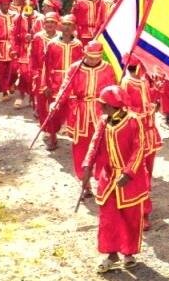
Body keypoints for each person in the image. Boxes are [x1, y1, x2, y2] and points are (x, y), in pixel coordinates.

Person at [84, 84, 151, 273]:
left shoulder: (133, 121)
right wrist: (88, 166)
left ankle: (128, 253)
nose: (101, 108)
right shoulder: (103, 121)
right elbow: (95, 144)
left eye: (103, 104)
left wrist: (128, 172)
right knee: (108, 217)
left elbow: (140, 149)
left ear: (113, 106)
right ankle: (111, 253)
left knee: (131, 217)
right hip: (109, 177)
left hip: (131, 181)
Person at [45, 44, 117, 179]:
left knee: (104, 145)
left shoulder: (107, 68)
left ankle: (102, 178)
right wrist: (57, 102)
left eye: (96, 58)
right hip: (81, 112)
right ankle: (84, 180)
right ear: (84, 54)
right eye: (90, 57)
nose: (93, 61)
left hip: (101, 111)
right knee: (81, 147)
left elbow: (113, 89)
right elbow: (65, 87)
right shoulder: (75, 68)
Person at [121, 61, 162, 224]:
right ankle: (142, 210)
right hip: (136, 134)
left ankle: (143, 204)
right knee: (139, 171)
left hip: (150, 132)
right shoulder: (126, 83)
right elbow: (125, 109)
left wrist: (156, 95)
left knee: (148, 171)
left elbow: (150, 101)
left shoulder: (144, 80)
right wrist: (144, 112)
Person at [38, 14, 82, 130]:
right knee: (54, 110)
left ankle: (72, 133)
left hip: (72, 82)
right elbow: (47, 66)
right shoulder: (52, 44)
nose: (67, 27)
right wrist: (46, 85)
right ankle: (52, 134)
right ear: (60, 26)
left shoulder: (78, 44)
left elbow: (81, 67)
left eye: (70, 25)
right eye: (64, 24)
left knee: (72, 109)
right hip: (56, 82)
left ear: (74, 27)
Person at [28, 11, 59, 125]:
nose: (49, 24)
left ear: (57, 24)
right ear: (43, 23)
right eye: (47, 22)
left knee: (56, 100)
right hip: (41, 74)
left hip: (56, 75)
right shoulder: (38, 37)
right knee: (41, 100)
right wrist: (35, 73)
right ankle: (45, 125)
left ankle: (55, 125)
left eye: (52, 22)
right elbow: (33, 56)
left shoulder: (61, 37)